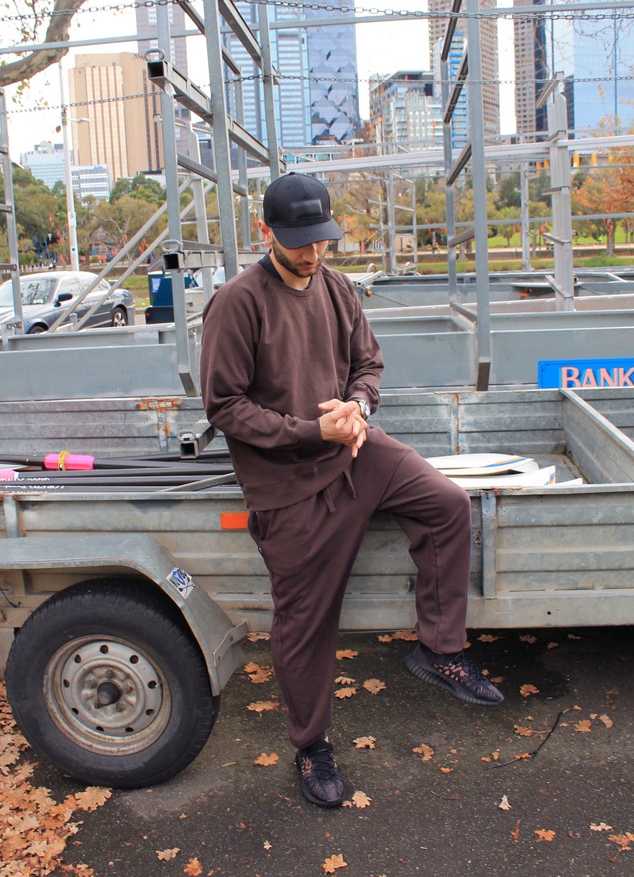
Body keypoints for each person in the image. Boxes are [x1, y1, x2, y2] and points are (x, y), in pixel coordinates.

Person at [200, 172, 503, 809]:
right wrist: (313, 429)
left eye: (322, 241)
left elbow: (368, 363)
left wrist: (359, 407)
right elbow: (223, 405)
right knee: (306, 623)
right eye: (299, 243)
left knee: (447, 505)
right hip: (287, 482)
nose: (313, 255)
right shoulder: (238, 301)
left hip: (355, 451)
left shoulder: (337, 288)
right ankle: (312, 746)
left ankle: (438, 649)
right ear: (266, 233)